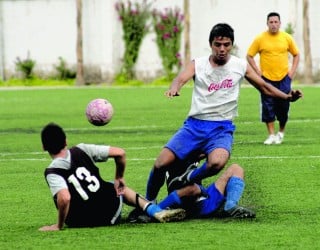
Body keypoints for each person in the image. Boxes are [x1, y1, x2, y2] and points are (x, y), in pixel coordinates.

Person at [144, 23, 302, 203]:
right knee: (160, 163)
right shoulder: (199, 64)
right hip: (194, 125)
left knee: (217, 162)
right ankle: (147, 203)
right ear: (211, 44)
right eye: (217, 44)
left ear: (232, 45)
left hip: (221, 128)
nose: (222, 49)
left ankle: (188, 178)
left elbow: (265, 87)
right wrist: (175, 88)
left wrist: (287, 97)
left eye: (226, 44)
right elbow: (180, 78)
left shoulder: (240, 65)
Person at [39, 122, 186, 231]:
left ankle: (151, 211)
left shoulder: (52, 171)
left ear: (44, 147)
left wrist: (58, 225)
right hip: (110, 209)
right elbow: (120, 153)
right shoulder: (81, 149)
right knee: (116, 186)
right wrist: (119, 177)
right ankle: (155, 211)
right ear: (65, 141)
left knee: (96, 191)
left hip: (82, 222)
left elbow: (64, 198)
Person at [246, 12, 300, 145]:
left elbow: (296, 54)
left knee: (283, 106)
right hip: (266, 79)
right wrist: (258, 72)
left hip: (284, 78)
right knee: (268, 106)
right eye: (271, 22)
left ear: (280, 23)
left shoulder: (287, 38)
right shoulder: (260, 38)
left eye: (276, 22)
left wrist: (291, 73)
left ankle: (281, 132)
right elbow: (249, 55)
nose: (274, 24)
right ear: (267, 23)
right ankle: (271, 135)